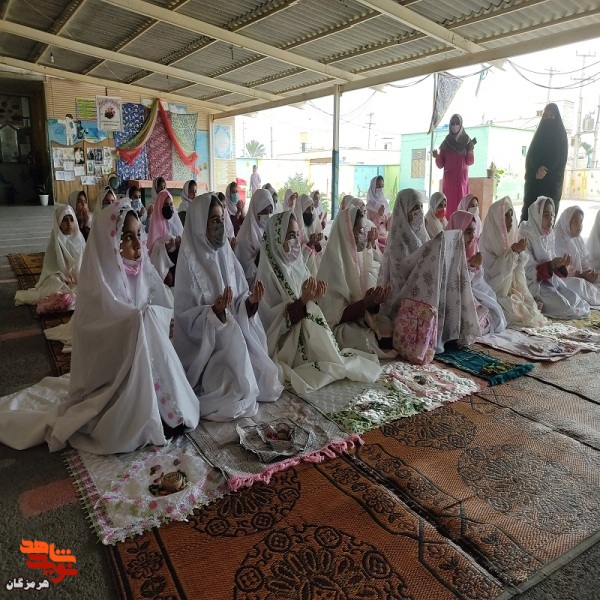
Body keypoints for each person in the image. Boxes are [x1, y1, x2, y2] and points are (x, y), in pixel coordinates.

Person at [0, 200, 200, 453]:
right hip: (114, 373)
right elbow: (96, 336)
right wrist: (133, 322)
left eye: (138, 235)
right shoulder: (98, 283)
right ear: (112, 242)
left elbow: (163, 308)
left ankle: (165, 409)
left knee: (179, 405)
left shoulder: (142, 270)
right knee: (121, 425)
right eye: (127, 238)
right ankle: (147, 411)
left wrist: (147, 319)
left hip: (149, 362)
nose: (138, 245)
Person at [173, 194, 282, 421]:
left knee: (266, 376)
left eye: (222, 219)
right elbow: (186, 321)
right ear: (200, 224)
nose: (220, 225)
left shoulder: (226, 254)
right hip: (207, 350)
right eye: (213, 220)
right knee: (231, 389)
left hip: (236, 338)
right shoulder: (188, 260)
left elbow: (240, 297)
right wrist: (214, 313)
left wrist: (250, 303)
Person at [256, 210, 381, 395]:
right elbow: (270, 324)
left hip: (307, 332)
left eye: (297, 235)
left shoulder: (298, 266)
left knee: (342, 351)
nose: (296, 242)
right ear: (276, 240)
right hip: (284, 343)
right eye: (290, 236)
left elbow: (311, 304)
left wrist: (313, 297)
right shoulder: (266, 276)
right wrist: (305, 301)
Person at [378, 189, 481, 351]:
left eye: (420, 207)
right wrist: (430, 249)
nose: (419, 212)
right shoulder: (396, 242)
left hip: (420, 290)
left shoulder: (422, 234)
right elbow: (404, 270)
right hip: (403, 296)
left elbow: (429, 260)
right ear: (404, 211)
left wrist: (433, 248)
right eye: (414, 208)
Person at [318, 206, 395, 357]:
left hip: (356, 318)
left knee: (387, 324)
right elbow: (334, 315)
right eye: (358, 231)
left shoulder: (355, 257)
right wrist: (365, 303)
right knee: (362, 339)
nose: (361, 235)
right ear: (346, 230)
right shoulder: (334, 262)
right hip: (335, 326)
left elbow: (359, 299)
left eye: (362, 231)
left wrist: (374, 302)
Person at [518, 196, 590, 318]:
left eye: (552, 214)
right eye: (546, 215)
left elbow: (551, 264)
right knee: (564, 306)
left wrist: (561, 265)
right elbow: (528, 271)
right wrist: (551, 265)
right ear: (537, 215)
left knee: (575, 299)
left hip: (550, 281)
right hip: (533, 285)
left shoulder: (548, 236)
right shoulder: (527, 235)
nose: (551, 219)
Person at [479, 197, 546, 328]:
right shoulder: (487, 241)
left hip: (510, 288)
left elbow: (519, 271)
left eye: (511, 215)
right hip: (493, 290)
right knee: (512, 312)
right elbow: (493, 272)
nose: (510, 220)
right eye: (505, 216)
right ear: (496, 220)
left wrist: (518, 255)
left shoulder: (510, 239)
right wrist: (512, 254)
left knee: (530, 307)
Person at [447, 211, 507, 335]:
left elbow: (479, 286)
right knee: (472, 324)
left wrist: (474, 269)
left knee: (495, 315)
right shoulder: (446, 252)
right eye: (467, 232)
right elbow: (452, 287)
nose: (472, 237)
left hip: (470, 298)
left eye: (473, 231)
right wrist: (471, 269)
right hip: (453, 303)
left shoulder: (470, 251)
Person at [15, 205, 85, 311]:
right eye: (64, 221)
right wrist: (64, 277)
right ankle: (63, 298)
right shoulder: (55, 239)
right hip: (59, 276)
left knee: (91, 285)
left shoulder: (79, 239)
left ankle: (64, 298)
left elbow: (85, 264)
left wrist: (78, 276)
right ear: (58, 223)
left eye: (71, 220)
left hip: (77, 277)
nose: (69, 224)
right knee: (54, 282)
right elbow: (51, 267)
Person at [521, 103, 569, 222]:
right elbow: (531, 157)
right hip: (535, 184)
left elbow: (560, 158)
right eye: (546, 115)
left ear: (556, 117)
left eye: (551, 116)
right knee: (529, 218)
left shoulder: (561, 136)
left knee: (545, 218)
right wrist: (536, 170)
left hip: (551, 186)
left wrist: (546, 168)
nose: (548, 118)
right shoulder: (538, 136)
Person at [433, 114, 475, 217]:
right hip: (449, 183)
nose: (455, 125)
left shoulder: (467, 141)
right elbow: (440, 165)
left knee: (462, 207)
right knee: (449, 207)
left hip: (462, 182)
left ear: (461, 125)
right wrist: (437, 156)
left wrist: (470, 150)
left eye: (457, 123)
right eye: (452, 123)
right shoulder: (446, 142)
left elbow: (470, 161)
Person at [555, 206, 600, 295]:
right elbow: (558, 272)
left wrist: (588, 273)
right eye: (575, 221)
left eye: (581, 222)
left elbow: (584, 264)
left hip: (579, 279)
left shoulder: (578, 240)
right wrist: (581, 276)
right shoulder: (556, 241)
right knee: (578, 285)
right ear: (566, 222)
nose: (579, 225)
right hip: (563, 280)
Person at [235, 188, 274, 287]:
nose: (268, 215)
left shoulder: (266, 230)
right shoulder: (245, 237)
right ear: (255, 210)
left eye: (270, 212)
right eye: (264, 211)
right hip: (250, 287)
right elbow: (243, 270)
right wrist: (262, 255)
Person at [147, 190, 183, 287]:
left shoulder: (175, 222)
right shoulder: (155, 224)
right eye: (166, 204)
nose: (169, 207)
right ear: (160, 206)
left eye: (171, 204)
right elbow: (153, 251)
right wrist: (165, 248)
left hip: (177, 260)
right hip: (163, 263)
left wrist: (179, 245)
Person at [294, 193, 325, 277]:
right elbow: (294, 255)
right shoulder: (294, 228)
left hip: (316, 268)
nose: (311, 212)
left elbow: (322, 254)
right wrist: (309, 244)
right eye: (307, 209)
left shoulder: (314, 225)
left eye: (312, 208)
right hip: (302, 272)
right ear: (301, 210)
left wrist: (317, 243)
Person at [365, 176, 392, 251]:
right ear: (373, 188)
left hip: (386, 238)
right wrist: (379, 215)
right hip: (374, 239)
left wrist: (393, 217)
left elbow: (389, 227)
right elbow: (369, 226)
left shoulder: (386, 205)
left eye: (382, 186)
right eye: (378, 186)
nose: (381, 189)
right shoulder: (368, 207)